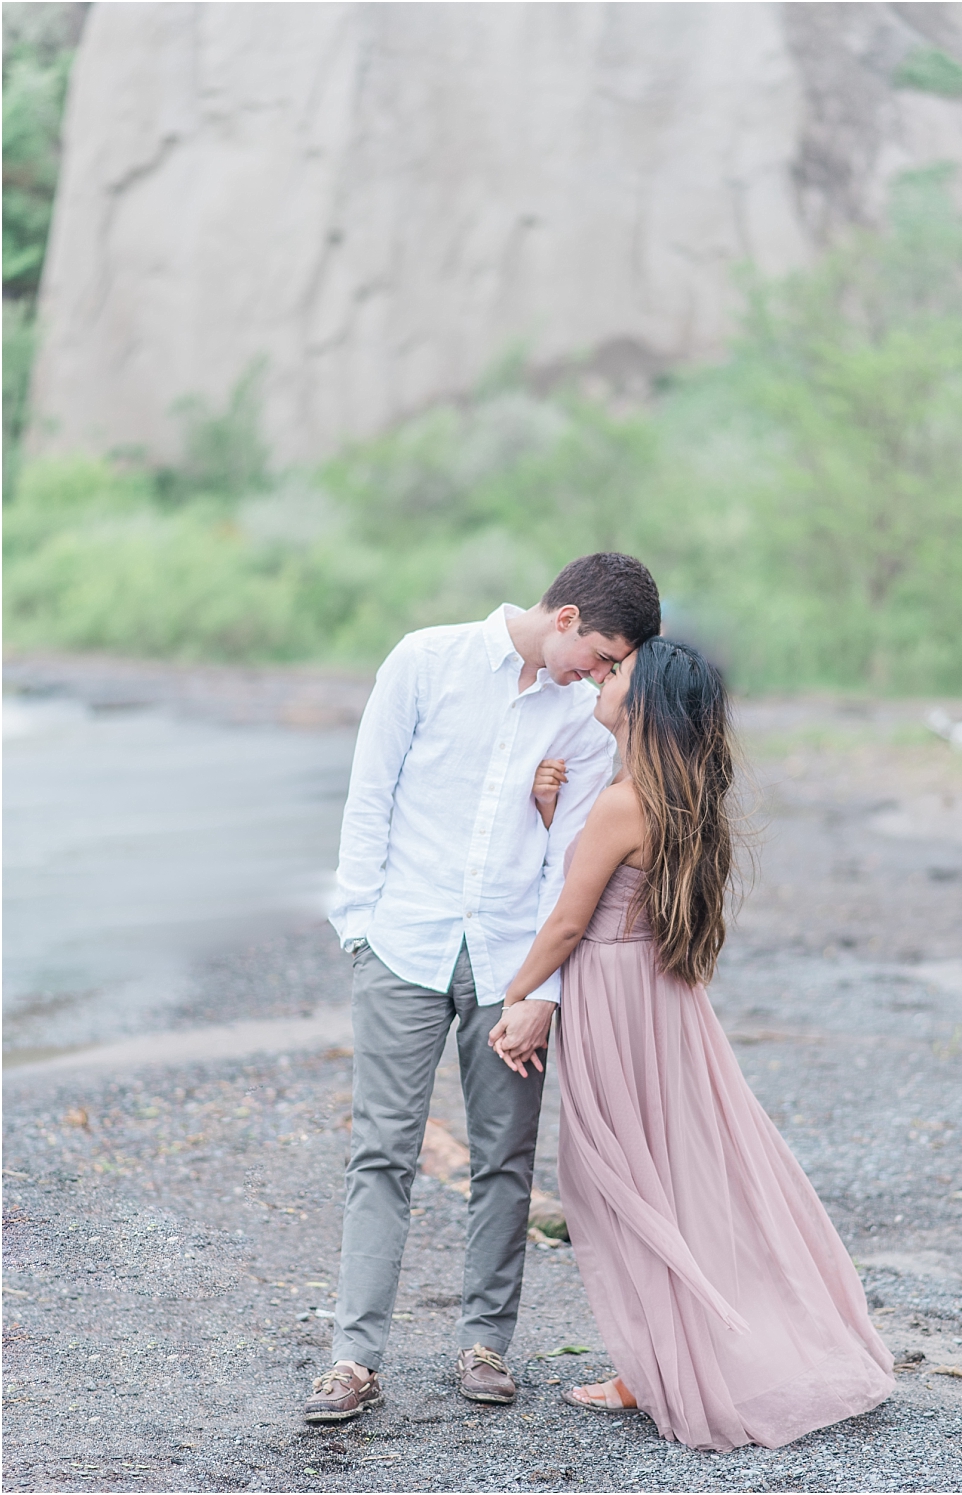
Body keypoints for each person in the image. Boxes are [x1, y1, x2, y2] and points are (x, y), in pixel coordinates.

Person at [488, 636, 895, 1451]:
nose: (603, 679)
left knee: (614, 1177)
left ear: (646, 707)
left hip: (614, 995)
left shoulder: (620, 802)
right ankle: (660, 1357)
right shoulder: (673, 798)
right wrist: (545, 811)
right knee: (670, 1170)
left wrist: (518, 992)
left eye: (618, 674)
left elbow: (570, 919)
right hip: (664, 998)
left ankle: (659, 1365)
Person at [305, 553, 662, 1424]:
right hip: (402, 944)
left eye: (617, 668)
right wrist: (358, 927)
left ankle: (485, 1344)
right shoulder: (425, 661)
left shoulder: (583, 718)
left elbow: (566, 863)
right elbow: (370, 795)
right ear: (567, 615)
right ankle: (354, 1357)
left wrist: (541, 990)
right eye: (605, 654)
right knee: (380, 1150)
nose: (604, 675)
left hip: (511, 962)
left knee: (505, 1157)